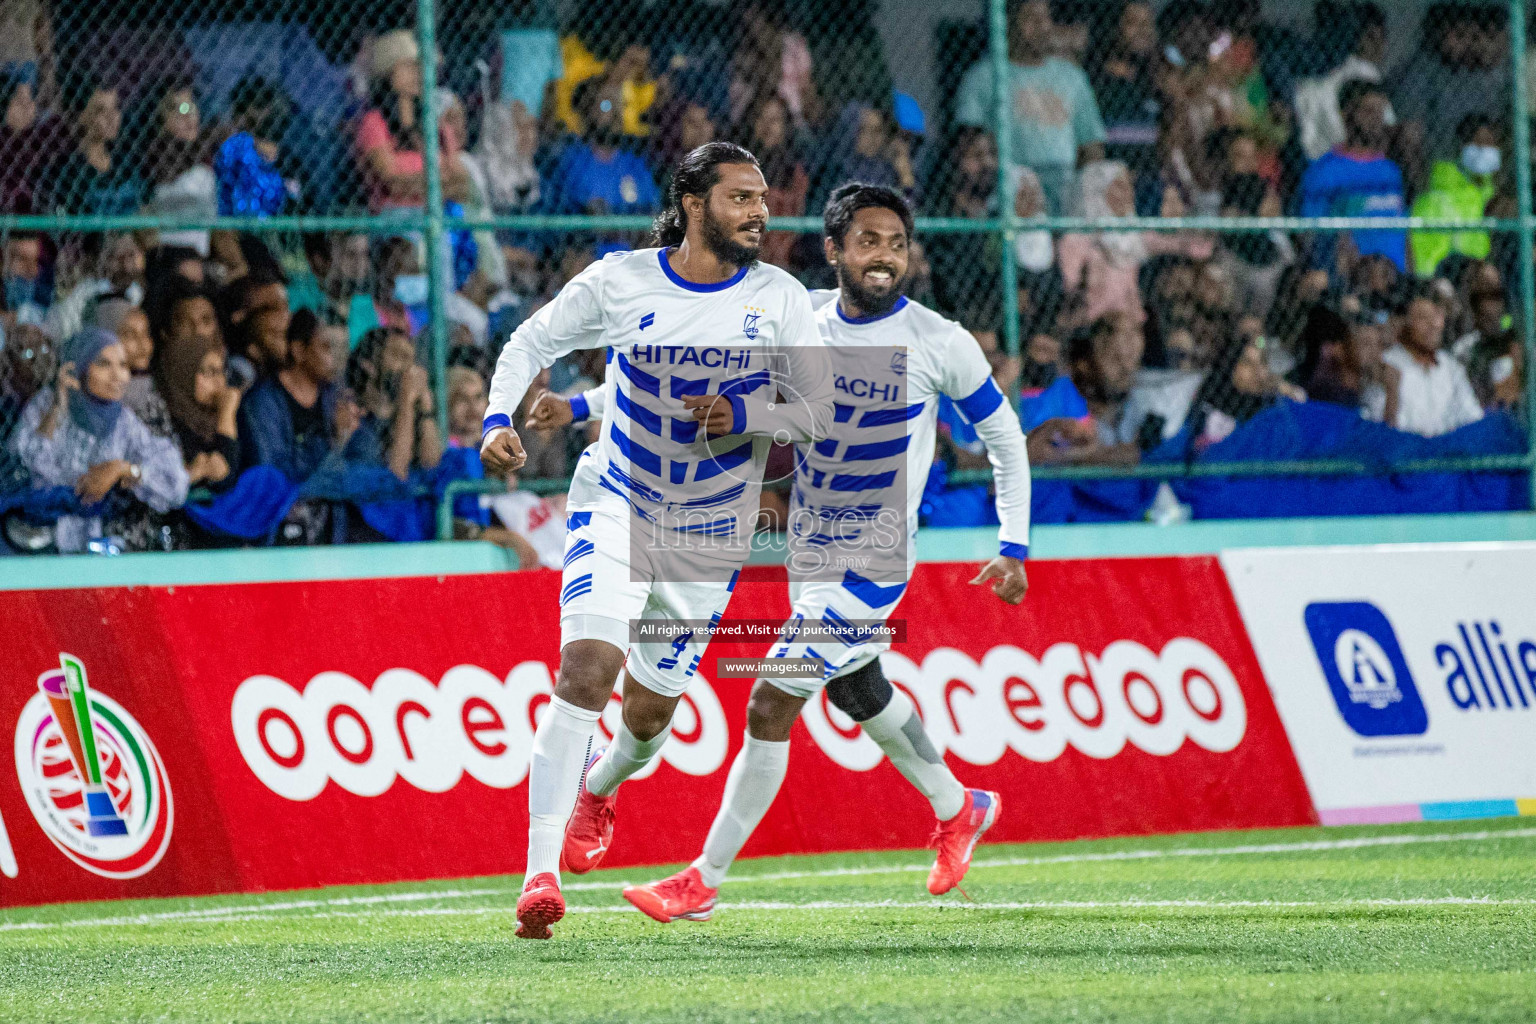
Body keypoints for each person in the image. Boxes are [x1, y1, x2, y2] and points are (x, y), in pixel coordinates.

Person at [601, 184, 1029, 922]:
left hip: (875, 561)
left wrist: (1013, 543)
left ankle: (701, 882)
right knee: (858, 690)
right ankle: (961, 806)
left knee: (772, 697)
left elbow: (1005, 439)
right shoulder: (803, 326)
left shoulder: (938, 341)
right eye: (868, 241)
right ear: (834, 251)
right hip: (812, 555)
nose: (885, 256)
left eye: (896, 242)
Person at [479, 141, 832, 940]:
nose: (760, 211)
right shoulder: (620, 280)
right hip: (617, 500)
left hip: (710, 534)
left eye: (763, 196)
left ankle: (602, 788)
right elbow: (531, 342)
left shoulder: (778, 297)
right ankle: (539, 873)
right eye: (741, 197)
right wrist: (499, 417)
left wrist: (746, 417)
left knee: (647, 713)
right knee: (586, 667)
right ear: (695, 202)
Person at [11, 327, 188, 552]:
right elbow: (25, 465)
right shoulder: (46, 404)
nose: (117, 376)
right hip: (36, 543)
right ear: (78, 367)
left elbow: (177, 484)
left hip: (98, 547)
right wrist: (58, 406)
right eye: (104, 364)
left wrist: (124, 469)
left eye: (123, 365)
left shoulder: (124, 421)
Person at [953, 0, 1105, 215]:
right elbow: (970, 145)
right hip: (1011, 182)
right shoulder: (984, 76)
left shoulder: (1072, 76)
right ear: (1008, 24)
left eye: (1045, 18)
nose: (1043, 27)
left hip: (1066, 181)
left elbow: (1091, 146)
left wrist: (1088, 189)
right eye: (1031, 19)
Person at [1057, 160, 1210, 328]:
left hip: (1130, 323)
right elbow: (1070, 291)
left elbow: (1176, 244)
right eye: (1119, 186)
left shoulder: (1132, 236)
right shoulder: (1074, 242)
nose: (1128, 193)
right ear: (1096, 189)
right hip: (1091, 324)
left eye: (1129, 186)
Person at [1297, 79, 1406, 279]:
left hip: (1394, 277)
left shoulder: (1391, 170)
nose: (1377, 120)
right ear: (1346, 113)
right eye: (1368, 112)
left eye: (1381, 112)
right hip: (1352, 278)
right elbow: (1311, 233)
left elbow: (1403, 229)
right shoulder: (1325, 170)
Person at [355, 28, 469, 212]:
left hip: (442, 214)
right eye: (409, 65)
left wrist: (419, 184)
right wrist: (441, 183)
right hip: (398, 218)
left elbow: (463, 184)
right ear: (388, 71)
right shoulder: (374, 122)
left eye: (422, 66)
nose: (418, 72)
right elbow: (392, 185)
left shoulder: (435, 122)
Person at [238, 307, 355, 483]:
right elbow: (272, 476)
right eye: (328, 348)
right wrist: (338, 442)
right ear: (299, 350)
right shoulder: (262, 403)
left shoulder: (335, 396)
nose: (339, 358)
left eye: (343, 348)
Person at [1409, 115, 1500, 280]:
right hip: (1434, 270)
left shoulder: (1492, 187)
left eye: (1490, 144)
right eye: (1479, 143)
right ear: (1462, 145)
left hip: (1476, 267)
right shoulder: (1439, 176)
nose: (1486, 150)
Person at [1382, 288, 1482, 437]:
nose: (1433, 325)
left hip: (1448, 453)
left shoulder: (1450, 366)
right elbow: (1382, 427)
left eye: (1436, 316)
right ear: (1404, 324)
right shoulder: (1388, 363)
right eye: (1422, 318)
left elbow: (1472, 416)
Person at [346, 326, 441, 481]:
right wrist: (406, 402)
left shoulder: (413, 418)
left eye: (411, 360)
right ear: (369, 364)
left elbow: (432, 468)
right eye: (400, 357)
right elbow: (395, 478)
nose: (409, 369)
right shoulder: (355, 419)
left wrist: (426, 408)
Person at [154, 324, 240, 490]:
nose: (219, 381)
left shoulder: (209, 417)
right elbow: (221, 474)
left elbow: (226, 476)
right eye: (209, 372)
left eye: (221, 371)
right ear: (184, 372)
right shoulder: (166, 420)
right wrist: (227, 414)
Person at [41, 76, 140, 214]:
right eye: (101, 110)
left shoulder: (125, 161)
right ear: (81, 115)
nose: (112, 117)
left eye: (116, 107)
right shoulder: (67, 169)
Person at [139, 79, 215, 255]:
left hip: (200, 253)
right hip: (168, 253)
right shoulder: (153, 161)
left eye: (192, 108)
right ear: (159, 118)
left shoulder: (206, 155)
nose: (188, 117)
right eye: (180, 109)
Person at [92, 297, 172, 439]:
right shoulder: (93, 397)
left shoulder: (155, 388)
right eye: (130, 335)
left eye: (146, 333)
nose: (143, 345)